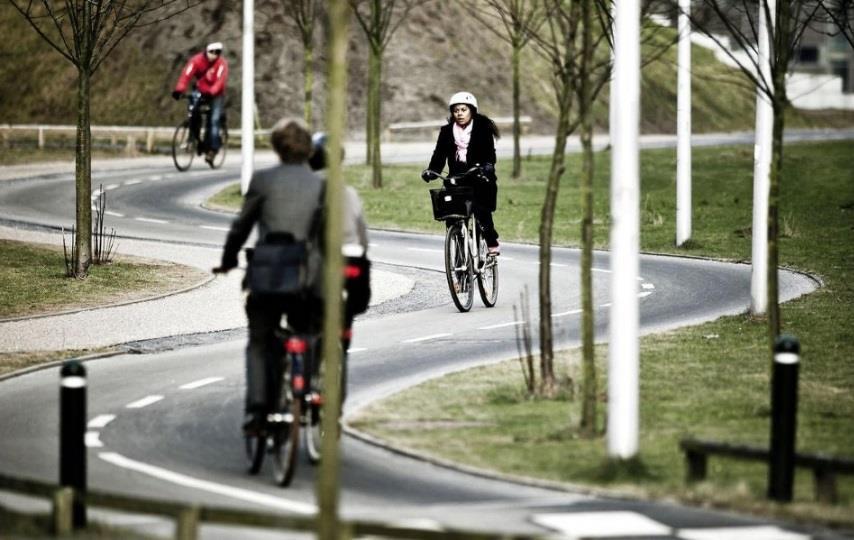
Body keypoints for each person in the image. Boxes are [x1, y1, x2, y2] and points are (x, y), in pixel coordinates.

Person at [213, 119, 369, 433]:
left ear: (277, 148)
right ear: (308, 150)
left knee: (259, 340)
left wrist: (228, 260)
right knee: (310, 331)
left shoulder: (262, 180)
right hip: (309, 279)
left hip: (268, 275)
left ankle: (257, 411)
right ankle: (306, 387)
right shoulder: (323, 187)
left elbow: (241, 227)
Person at [422, 91, 501, 254]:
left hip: (480, 175)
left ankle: (491, 240)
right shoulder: (446, 131)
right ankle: (457, 266)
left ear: (472, 110)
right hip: (457, 177)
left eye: (463, 109)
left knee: (481, 211)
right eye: (456, 110)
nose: (459, 113)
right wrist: (432, 170)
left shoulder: (482, 127)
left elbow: (490, 153)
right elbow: (439, 154)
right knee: (451, 215)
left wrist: (487, 165)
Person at [172, 42, 229, 166]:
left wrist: (212, 92)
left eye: (217, 52)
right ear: (206, 51)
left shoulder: (221, 64)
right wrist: (179, 90)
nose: (214, 55)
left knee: (213, 120)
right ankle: (193, 138)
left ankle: (212, 150)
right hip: (200, 90)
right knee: (193, 113)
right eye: (212, 52)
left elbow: (220, 81)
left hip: (216, 94)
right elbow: (186, 75)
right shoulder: (196, 61)